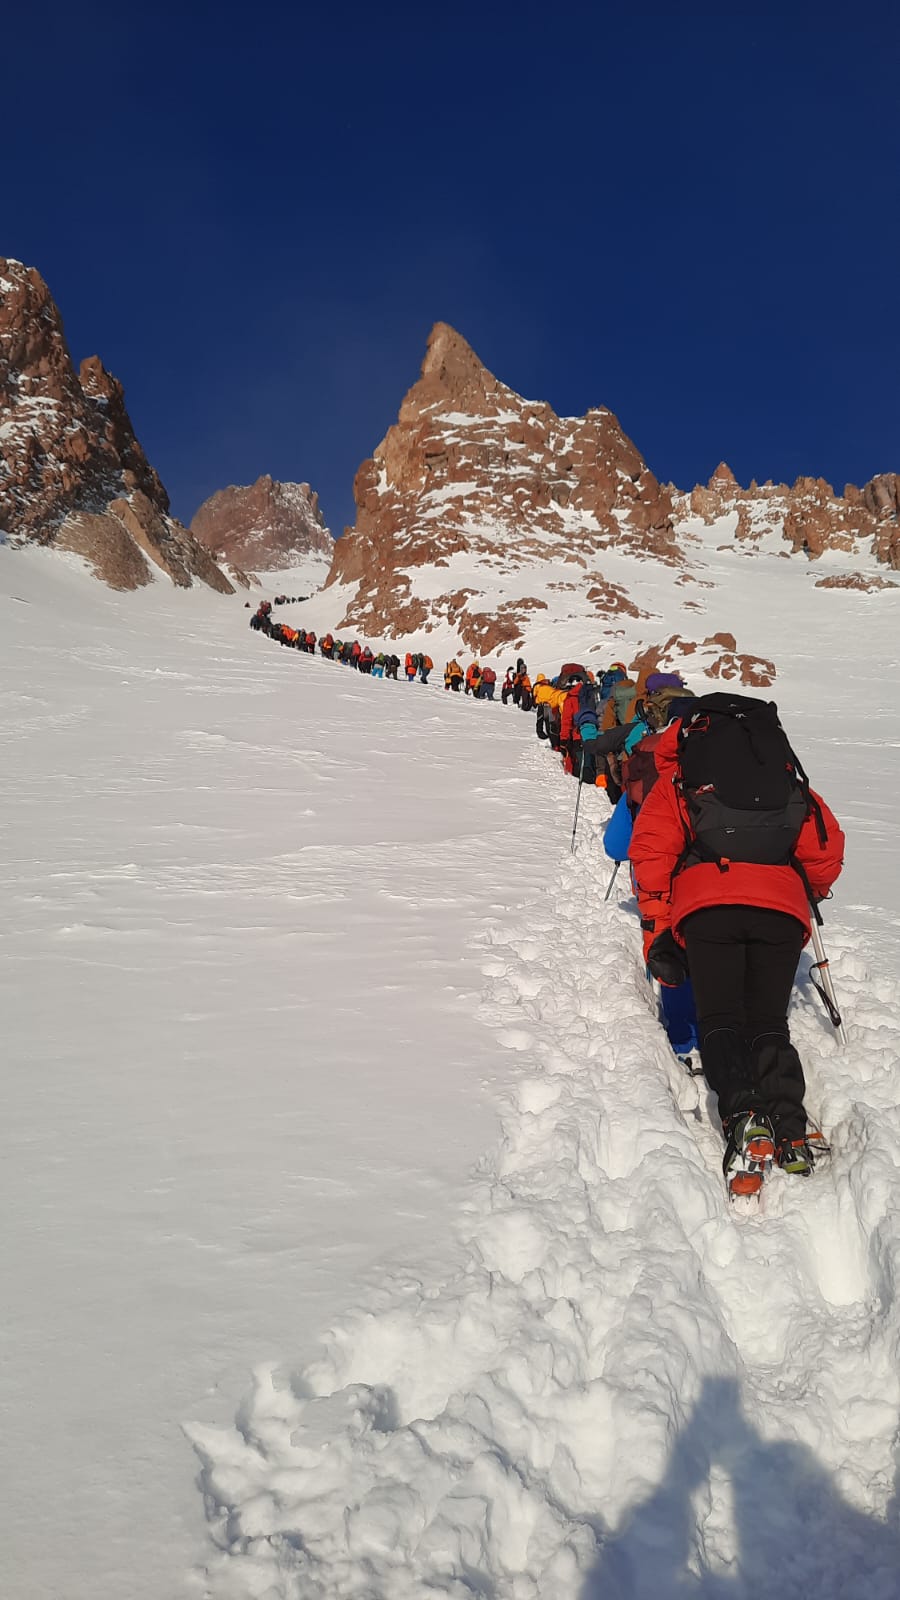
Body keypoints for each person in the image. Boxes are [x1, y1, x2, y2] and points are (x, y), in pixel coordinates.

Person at [629, 694, 845, 1187]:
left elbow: (651, 856)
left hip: (708, 911)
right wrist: (800, 889)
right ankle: (790, 1123)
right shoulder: (783, 777)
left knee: (721, 1017)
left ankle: (746, 1115)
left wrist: (658, 931)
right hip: (781, 913)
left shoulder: (680, 782)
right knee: (768, 1020)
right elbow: (825, 849)